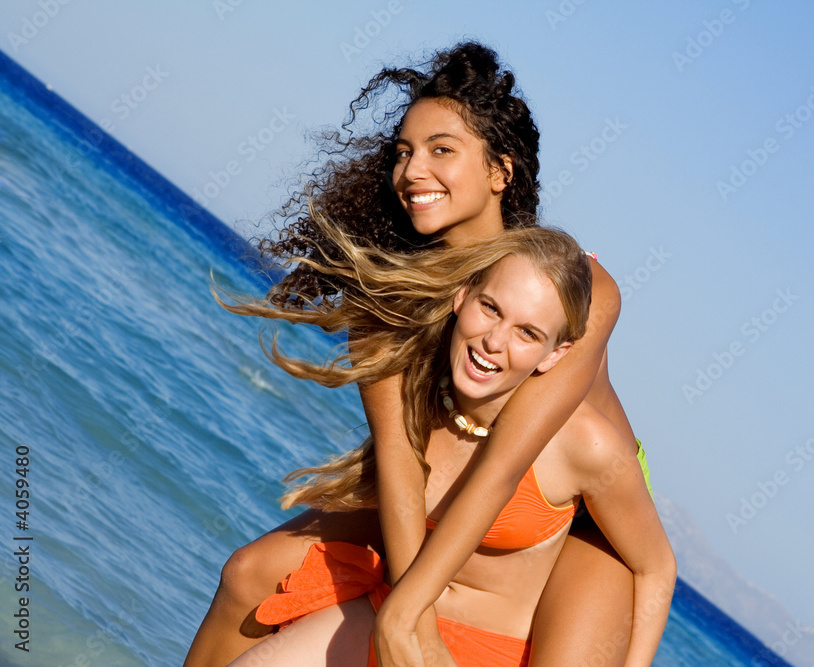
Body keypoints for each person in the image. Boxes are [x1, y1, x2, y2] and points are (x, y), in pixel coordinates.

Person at [184, 42, 660, 666]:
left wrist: (411, 608)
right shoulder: (391, 298)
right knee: (249, 574)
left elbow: (510, 458)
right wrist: (408, 613)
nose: (412, 171)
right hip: (452, 477)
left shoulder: (580, 290)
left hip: (579, 509)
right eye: (404, 152)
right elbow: (401, 458)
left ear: (500, 172)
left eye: (441, 150)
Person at [223, 225, 675, 667]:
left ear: (555, 354)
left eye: (528, 334)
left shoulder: (582, 445)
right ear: (463, 295)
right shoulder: (414, 389)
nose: (494, 342)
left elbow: (654, 568)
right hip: (397, 614)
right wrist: (406, 621)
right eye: (491, 308)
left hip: (491, 648)